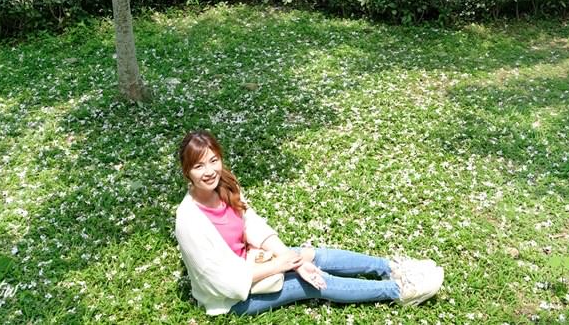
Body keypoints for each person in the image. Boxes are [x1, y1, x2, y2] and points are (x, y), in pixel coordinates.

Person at [174, 130, 444, 316]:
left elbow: (252, 224)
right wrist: (281, 265)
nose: (209, 171)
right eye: (199, 166)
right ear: (187, 172)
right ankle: (399, 290)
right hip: (233, 299)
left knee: (311, 255)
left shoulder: (225, 186)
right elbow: (224, 282)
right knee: (312, 283)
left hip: (251, 260)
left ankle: (389, 267)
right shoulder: (189, 221)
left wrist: (292, 258)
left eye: (214, 160)